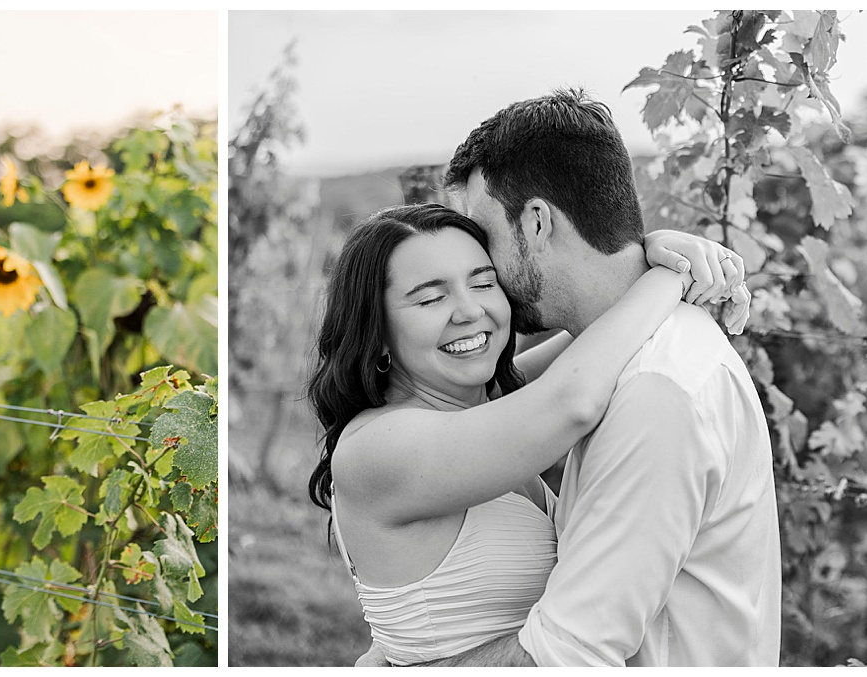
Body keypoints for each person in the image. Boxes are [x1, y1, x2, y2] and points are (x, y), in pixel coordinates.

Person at [423, 88, 781, 666]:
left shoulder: (658, 393)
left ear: (536, 221)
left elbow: (564, 659)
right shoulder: (629, 350)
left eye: (483, 238)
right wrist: (662, 261)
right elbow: (506, 400)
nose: (479, 270)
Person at [310, 203, 746, 667]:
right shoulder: (377, 449)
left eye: (483, 282)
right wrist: (669, 278)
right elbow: (573, 398)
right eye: (430, 299)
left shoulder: (484, 407)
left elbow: (599, 336)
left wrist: (646, 257)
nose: (470, 310)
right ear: (375, 330)